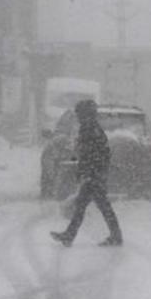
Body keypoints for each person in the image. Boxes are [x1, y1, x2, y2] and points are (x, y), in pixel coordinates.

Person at [51, 100, 123, 247]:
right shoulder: (91, 127)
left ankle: (71, 236)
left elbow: (92, 153)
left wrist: (89, 172)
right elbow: (93, 153)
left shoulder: (90, 128)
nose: (77, 116)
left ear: (85, 113)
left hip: (93, 175)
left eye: (79, 113)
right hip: (95, 174)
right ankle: (71, 236)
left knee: (93, 207)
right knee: (91, 206)